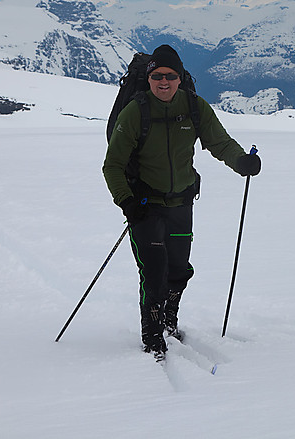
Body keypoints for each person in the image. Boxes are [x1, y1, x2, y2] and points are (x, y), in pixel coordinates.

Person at [102, 44, 261, 358]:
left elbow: (219, 141)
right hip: (145, 206)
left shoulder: (194, 106)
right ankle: (152, 335)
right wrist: (127, 202)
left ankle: (169, 317)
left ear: (180, 77)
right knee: (153, 269)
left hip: (182, 204)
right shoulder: (136, 111)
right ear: (148, 78)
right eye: (157, 75)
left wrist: (241, 161)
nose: (164, 81)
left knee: (178, 270)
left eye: (170, 76)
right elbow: (113, 165)